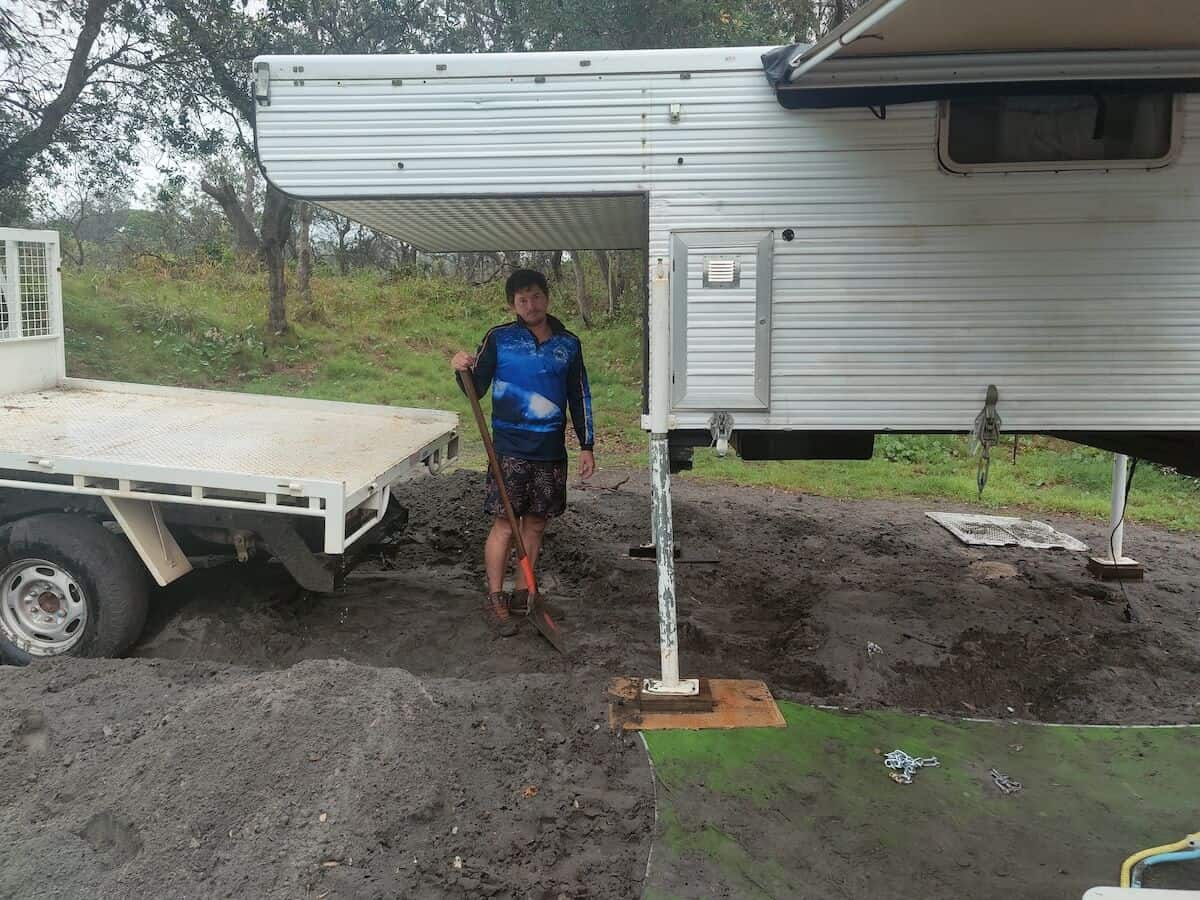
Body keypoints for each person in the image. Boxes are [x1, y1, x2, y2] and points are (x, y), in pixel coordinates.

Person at [452, 268, 595, 637]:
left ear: (546, 297)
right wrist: (461, 370)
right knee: (504, 524)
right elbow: (475, 389)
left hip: (550, 452)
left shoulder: (569, 344)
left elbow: (580, 397)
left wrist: (587, 445)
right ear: (512, 304)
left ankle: (522, 593)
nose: (530, 305)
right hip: (509, 452)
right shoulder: (499, 338)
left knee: (535, 524)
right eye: (521, 300)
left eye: (535, 296)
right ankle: (495, 596)